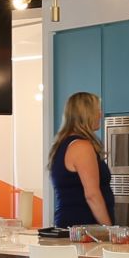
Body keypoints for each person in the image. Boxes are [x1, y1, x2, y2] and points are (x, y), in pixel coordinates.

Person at [48, 91, 113, 228]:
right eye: (97, 110)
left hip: (70, 227)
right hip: (83, 230)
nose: (100, 114)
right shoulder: (81, 146)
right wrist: (110, 230)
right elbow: (92, 195)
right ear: (86, 114)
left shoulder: (63, 145)